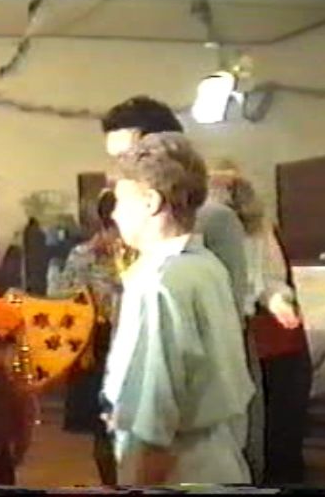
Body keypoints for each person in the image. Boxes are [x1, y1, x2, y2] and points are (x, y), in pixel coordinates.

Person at [101, 95, 263, 482]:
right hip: (213, 452)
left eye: (120, 200)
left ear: (151, 200)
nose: (114, 213)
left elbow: (156, 405)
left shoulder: (161, 280)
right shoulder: (201, 264)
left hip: (177, 462)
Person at [208, 169, 312, 484]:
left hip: (261, 338)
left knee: (273, 426)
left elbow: (270, 279)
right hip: (223, 335)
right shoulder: (202, 228)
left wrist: (279, 301)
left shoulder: (259, 229)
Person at [47, 190, 124, 485]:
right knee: (102, 426)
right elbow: (62, 299)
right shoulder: (82, 255)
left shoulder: (140, 254)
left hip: (130, 340)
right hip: (97, 344)